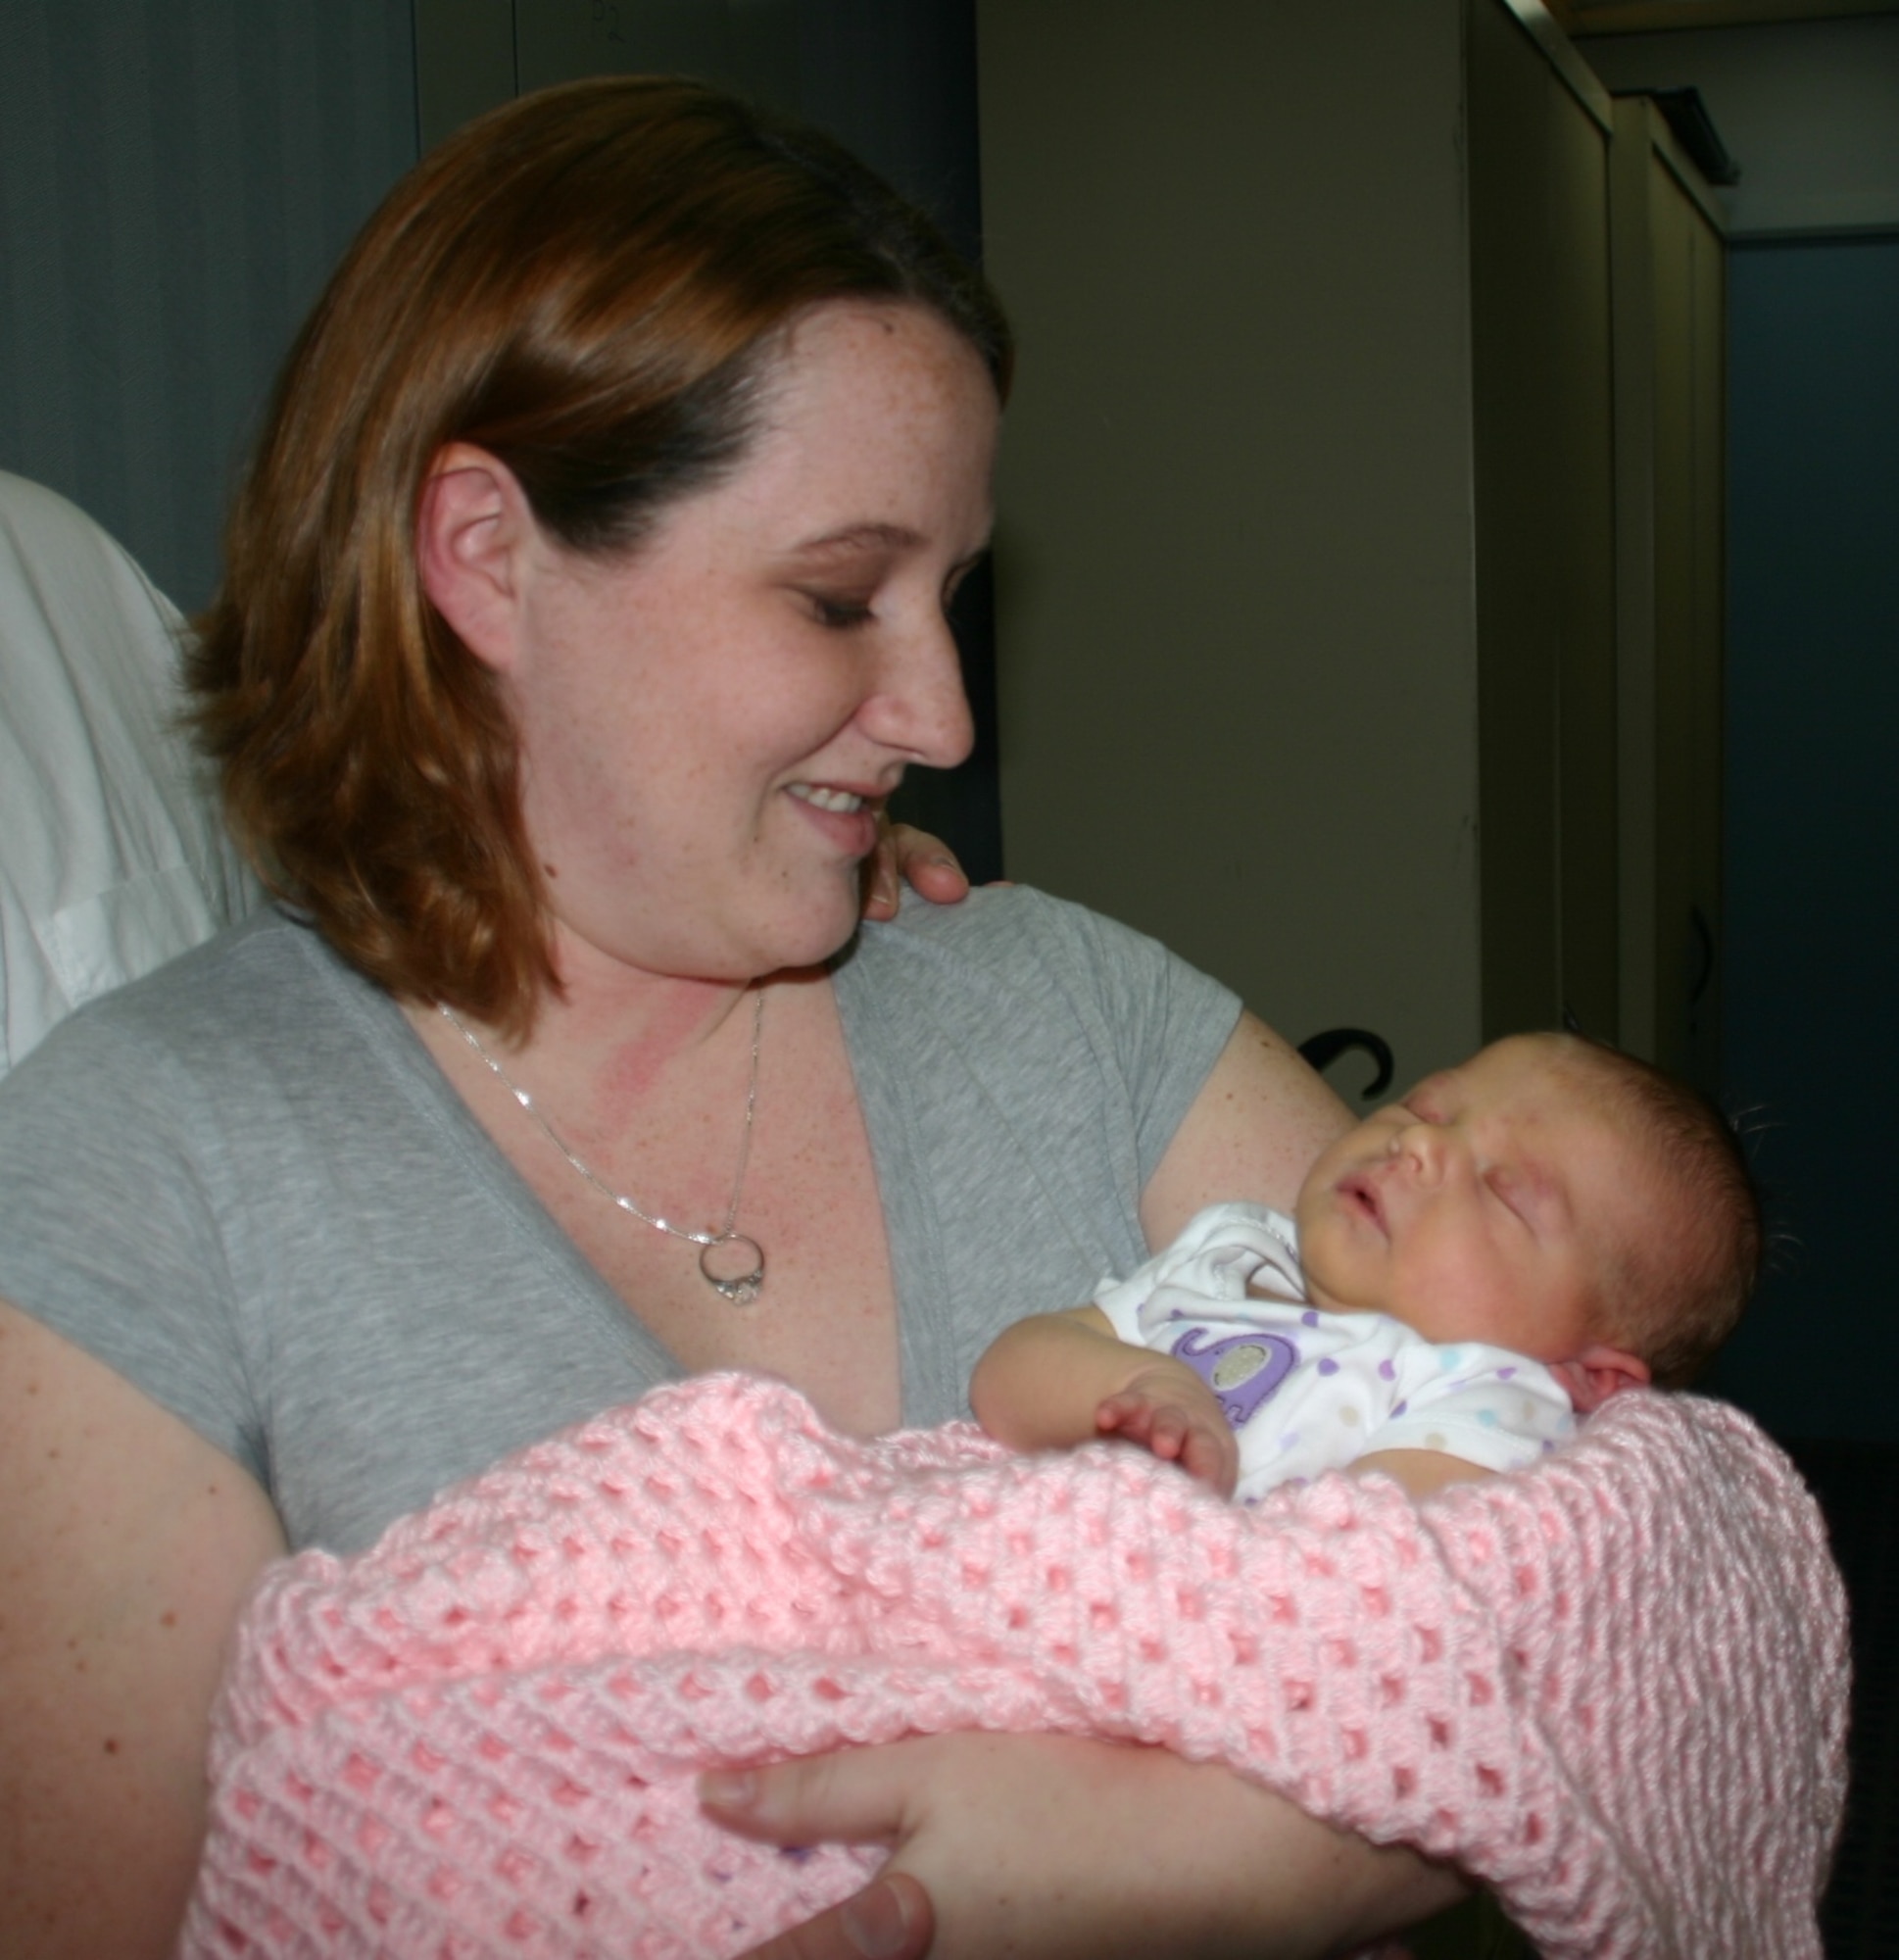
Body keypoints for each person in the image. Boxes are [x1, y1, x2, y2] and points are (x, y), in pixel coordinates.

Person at [0, 75, 1478, 1960]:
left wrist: (1187, 1873)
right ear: (486, 557)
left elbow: (1618, 1547)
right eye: (838, 595)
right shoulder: (148, 1177)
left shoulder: (1060, 1018)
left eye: (948, 594)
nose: (944, 716)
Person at [972, 1032, 1760, 1502]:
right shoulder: (1228, 1252)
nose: (1416, 1144)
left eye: (1500, 1191)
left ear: (1588, 1374)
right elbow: (1008, 1373)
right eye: (1427, 1109)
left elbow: (1373, 1571)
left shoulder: (1485, 1394)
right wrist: (1134, 1388)